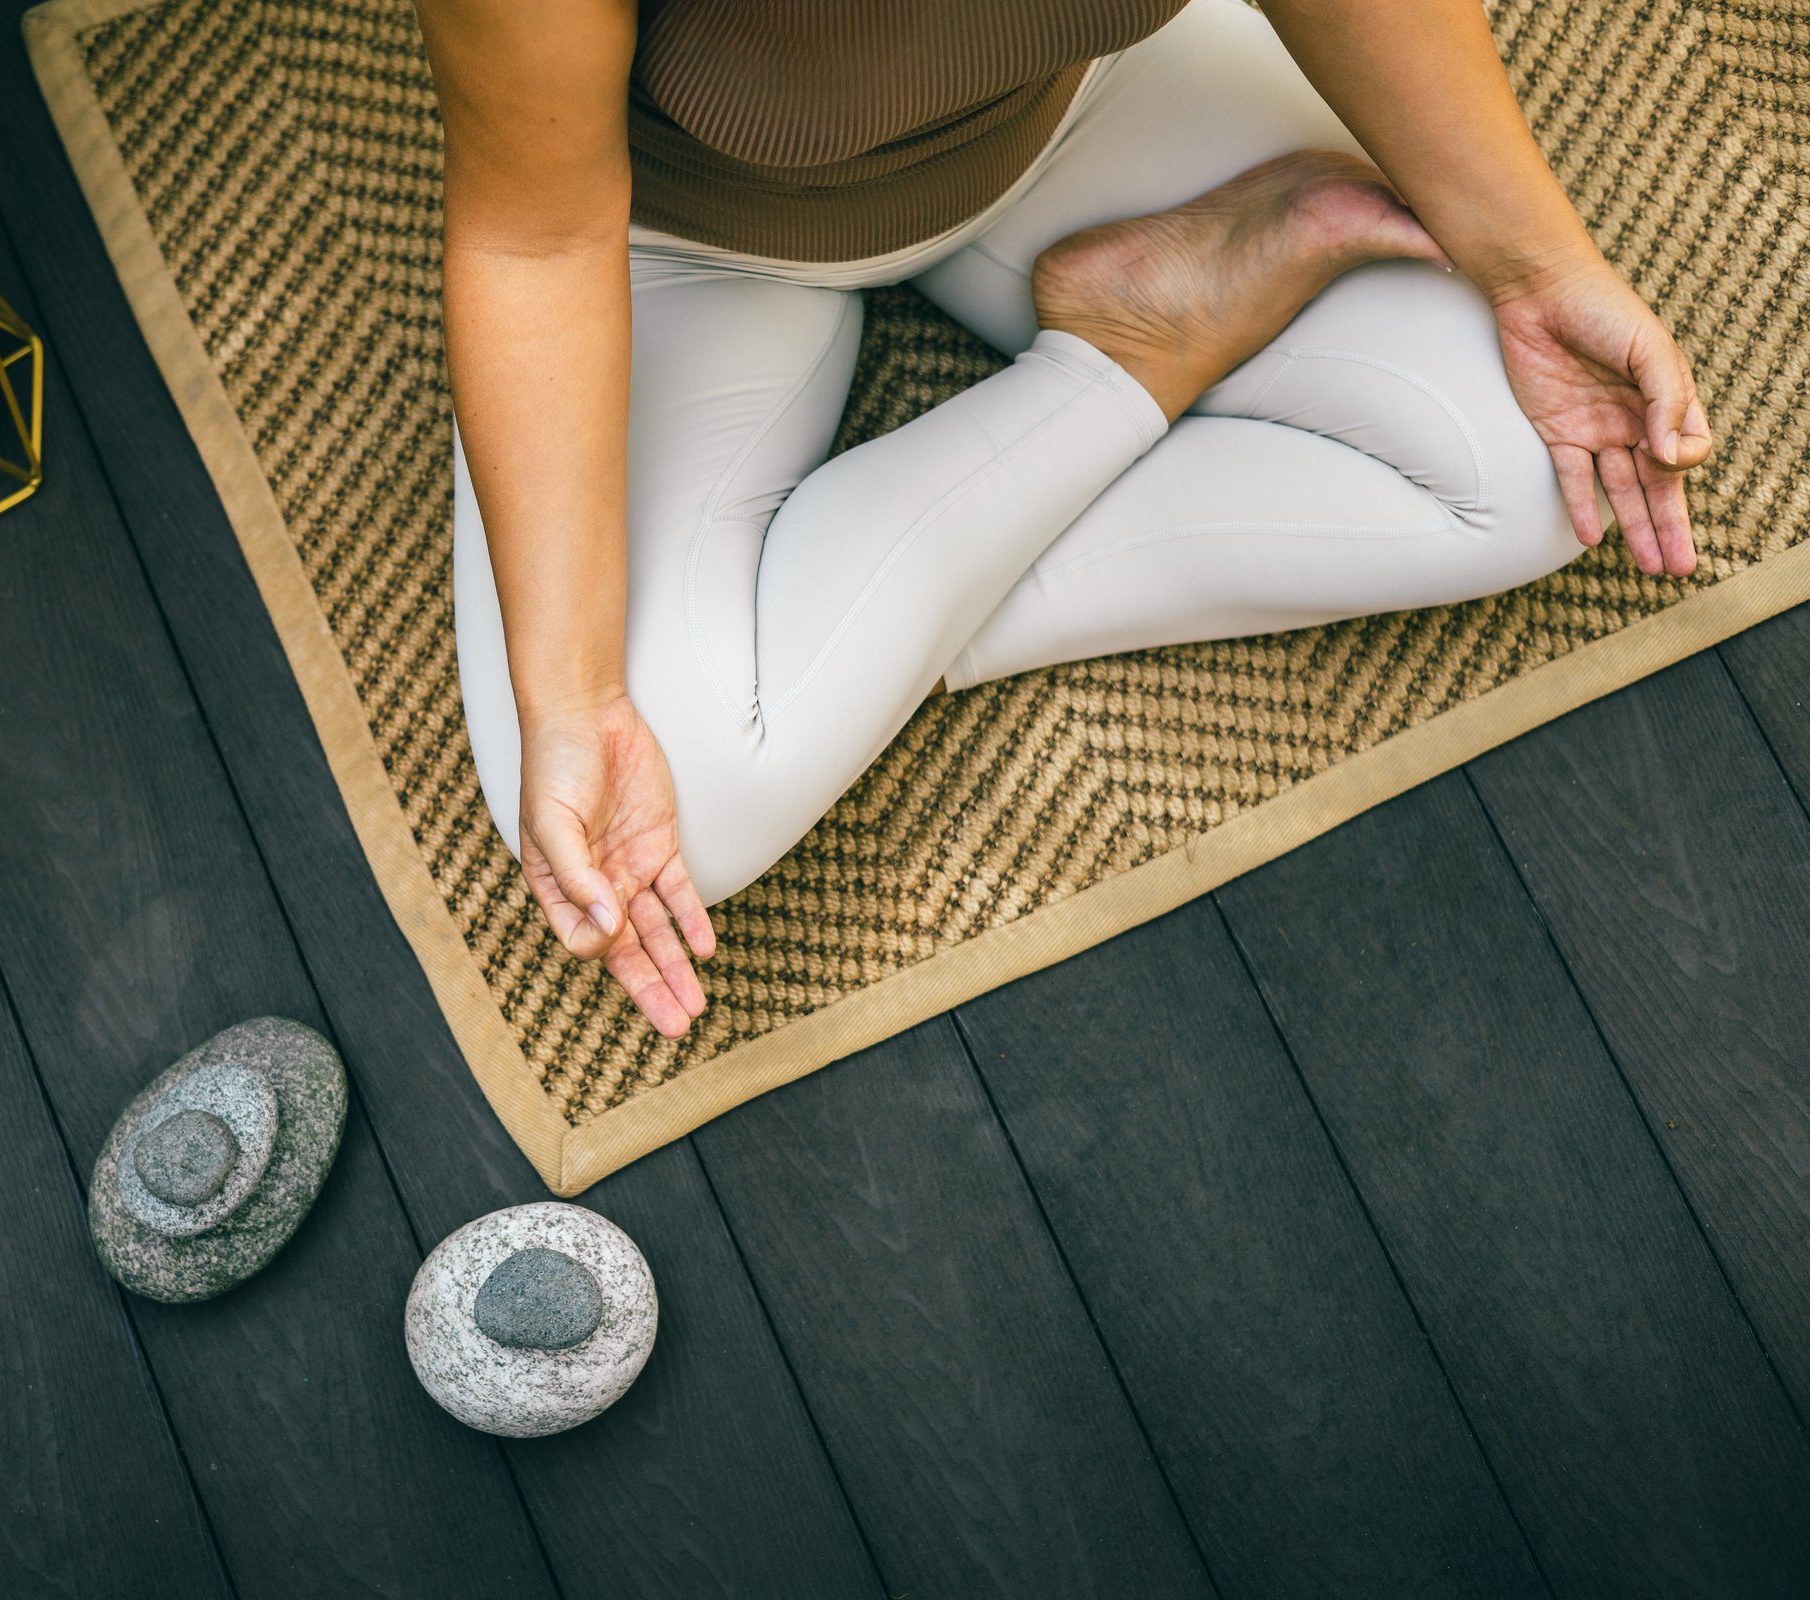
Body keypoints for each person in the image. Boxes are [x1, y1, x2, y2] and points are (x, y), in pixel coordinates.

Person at [417, 0, 1713, 1039]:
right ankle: (1125, 359)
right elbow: (535, 240)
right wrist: (576, 695)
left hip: (1071, 111)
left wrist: (1540, 270)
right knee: (653, 817)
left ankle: (843, 627)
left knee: (1537, 463)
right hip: (685, 239)